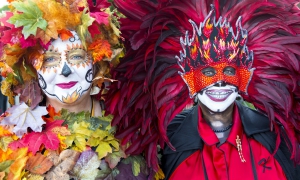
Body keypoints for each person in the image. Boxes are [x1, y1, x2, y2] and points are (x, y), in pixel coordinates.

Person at [106, 0, 300, 179]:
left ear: (245, 76)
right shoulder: (167, 142)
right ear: (186, 77)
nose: (220, 82)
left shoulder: (274, 134)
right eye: (207, 71)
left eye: (229, 70)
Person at [0, 0, 148, 179]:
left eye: (77, 56)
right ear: (32, 70)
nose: (65, 71)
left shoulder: (130, 126)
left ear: (97, 63)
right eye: (50, 60)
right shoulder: (9, 134)